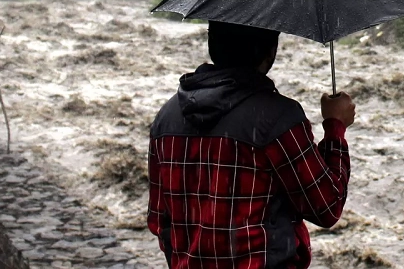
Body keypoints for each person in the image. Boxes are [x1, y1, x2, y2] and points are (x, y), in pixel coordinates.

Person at [148, 21, 355, 268]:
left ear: (213, 43)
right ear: (270, 51)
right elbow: (326, 206)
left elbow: (160, 220)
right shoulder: (278, 119)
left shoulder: (167, 118)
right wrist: (335, 127)